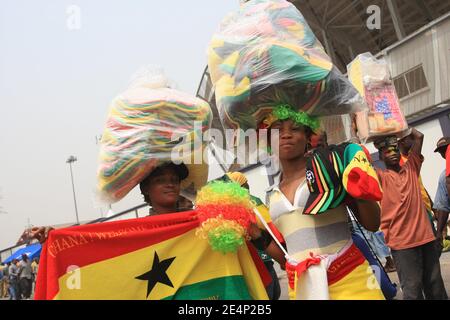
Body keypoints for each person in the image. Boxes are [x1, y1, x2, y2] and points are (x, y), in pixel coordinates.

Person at [263, 106, 384, 300]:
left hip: (349, 278)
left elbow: (372, 224)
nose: (285, 135)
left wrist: (360, 187)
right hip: (303, 288)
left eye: (294, 129)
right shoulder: (273, 196)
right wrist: (255, 236)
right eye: (278, 130)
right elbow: (286, 254)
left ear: (308, 137)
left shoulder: (329, 169)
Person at [374, 129, 447, 300]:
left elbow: (419, 136)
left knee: (435, 288)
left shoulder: (412, 168)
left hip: (426, 238)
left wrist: (398, 128)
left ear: (400, 152)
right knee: (412, 291)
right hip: (402, 245)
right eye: (386, 152)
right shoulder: (380, 177)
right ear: (381, 157)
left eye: (395, 150)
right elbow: (361, 165)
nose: (392, 154)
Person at [226, 171, 283, 300]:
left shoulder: (225, 208)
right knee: (271, 294)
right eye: (245, 184)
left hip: (251, 262)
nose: (247, 187)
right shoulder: (253, 201)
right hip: (264, 257)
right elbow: (270, 225)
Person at [399, 131, 437, 233]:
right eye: (410, 138)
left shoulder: (408, 159)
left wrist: (433, 207)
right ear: (402, 141)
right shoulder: (400, 162)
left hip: (425, 207)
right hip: (417, 210)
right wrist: (401, 128)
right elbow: (420, 136)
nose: (413, 140)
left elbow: (420, 185)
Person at [433, 137, 450, 253]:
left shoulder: (445, 177)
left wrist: (439, 233)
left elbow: (443, 207)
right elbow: (443, 207)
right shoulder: (444, 176)